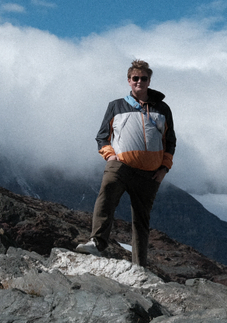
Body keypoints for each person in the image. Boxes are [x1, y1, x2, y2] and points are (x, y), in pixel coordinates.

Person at [75, 59, 176, 268]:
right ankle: (96, 242)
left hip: (150, 174)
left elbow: (170, 142)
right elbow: (102, 137)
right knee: (106, 196)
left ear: (149, 81)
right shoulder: (116, 106)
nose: (139, 81)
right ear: (129, 81)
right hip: (121, 166)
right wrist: (110, 156)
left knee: (141, 220)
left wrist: (164, 168)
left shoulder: (163, 109)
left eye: (143, 78)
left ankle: (139, 265)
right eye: (135, 78)